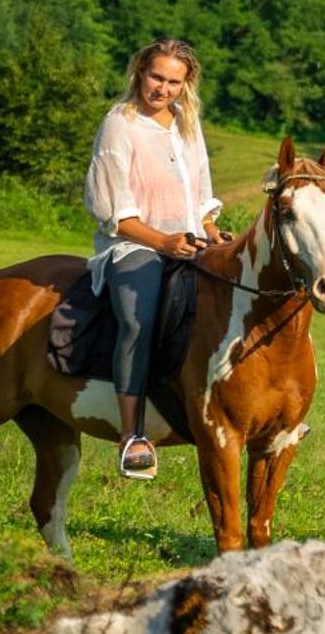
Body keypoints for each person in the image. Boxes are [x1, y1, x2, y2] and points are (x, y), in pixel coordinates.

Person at [83, 37, 226, 481]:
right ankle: (132, 436)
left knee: (240, 303)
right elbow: (114, 214)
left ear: (186, 86)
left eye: (173, 82)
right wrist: (163, 242)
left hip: (188, 241)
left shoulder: (186, 122)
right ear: (139, 73)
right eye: (156, 77)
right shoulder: (119, 125)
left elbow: (200, 191)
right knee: (138, 320)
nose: (162, 89)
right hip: (135, 246)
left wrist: (212, 231)